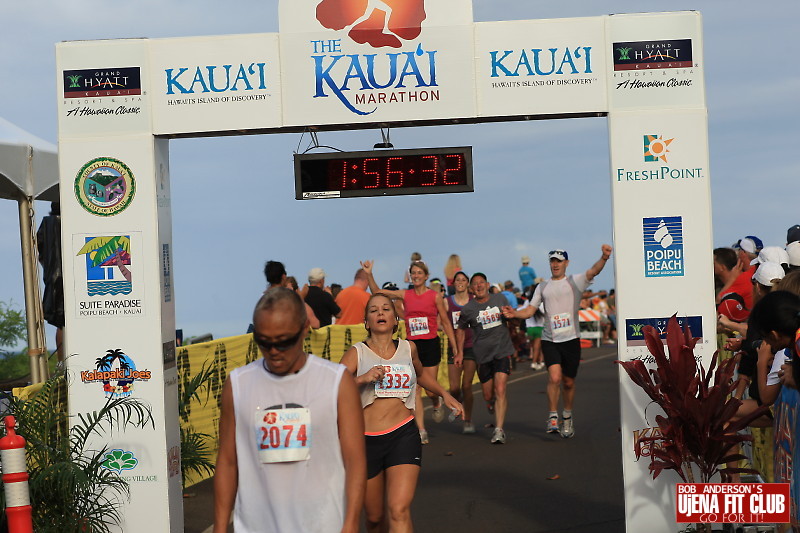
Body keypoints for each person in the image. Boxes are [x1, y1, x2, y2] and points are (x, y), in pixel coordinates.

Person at [214, 288, 366, 533]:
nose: (274, 350)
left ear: (305, 328)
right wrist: (220, 527)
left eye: (284, 341)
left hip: (324, 525)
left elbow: (355, 460)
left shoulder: (336, 382)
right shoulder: (238, 384)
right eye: (264, 342)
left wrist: (350, 524)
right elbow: (228, 461)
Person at [339, 293, 462, 533]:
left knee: (398, 510)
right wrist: (363, 378)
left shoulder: (408, 348)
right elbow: (333, 384)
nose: (380, 313)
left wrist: (445, 394)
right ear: (366, 322)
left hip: (403, 434)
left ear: (396, 320)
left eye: (386, 308)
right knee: (374, 518)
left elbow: (422, 375)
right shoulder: (357, 353)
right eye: (374, 310)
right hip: (365, 441)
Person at [505, 245, 613, 438]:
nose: (555, 265)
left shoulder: (575, 281)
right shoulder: (542, 286)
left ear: (566, 263)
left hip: (571, 340)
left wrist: (604, 258)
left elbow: (593, 270)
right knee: (554, 378)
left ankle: (568, 416)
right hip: (550, 339)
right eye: (552, 261)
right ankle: (553, 416)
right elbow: (530, 310)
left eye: (559, 261)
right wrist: (515, 313)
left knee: (568, 382)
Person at [361, 259, 460, 445]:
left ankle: (436, 402)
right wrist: (369, 274)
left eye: (419, 273)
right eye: (413, 273)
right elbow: (378, 293)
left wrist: (454, 345)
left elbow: (446, 322)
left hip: (430, 343)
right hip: (412, 346)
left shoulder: (434, 296)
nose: (415, 276)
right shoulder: (405, 294)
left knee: (430, 390)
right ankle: (421, 429)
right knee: (415, 389)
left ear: (426, 276)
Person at [456, 272, 516, 444]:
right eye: (475, 284)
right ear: (471, 288)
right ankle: (490, 403)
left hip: (502, 351)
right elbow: (460, 329)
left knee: (500, 389)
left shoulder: (500, 300)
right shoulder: (468, 309)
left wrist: (512, 317)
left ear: (487, 284)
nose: (479, 286)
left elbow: (512, 318)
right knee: (489, 394)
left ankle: (499, 430)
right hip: (482, 356)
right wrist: (460, 352)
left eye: (482, 283)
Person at [444, 271, 478, 433]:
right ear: (454, 283)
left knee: (466, 385)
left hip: (472, 345)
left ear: (467, 284)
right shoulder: (447, 302)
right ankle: (460, 404)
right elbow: (440, 322)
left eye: (463, 280)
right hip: (454, 346)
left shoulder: (474, 301)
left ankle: (468, 420)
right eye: (457, 280)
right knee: (455, 388)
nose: (460, 282)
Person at [36, 202, 64, 361]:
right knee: (63, 323)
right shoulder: (59, 225)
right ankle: (63, 367)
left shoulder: (46, 227)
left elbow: (41, 256)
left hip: (54, 285)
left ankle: (62, 367)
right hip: (61, 285)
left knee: (62, 324)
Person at [263, 260, 320, 329]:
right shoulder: (289, 299)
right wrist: (300, 298)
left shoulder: (263, 300)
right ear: (283, 277)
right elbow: (315, 324)